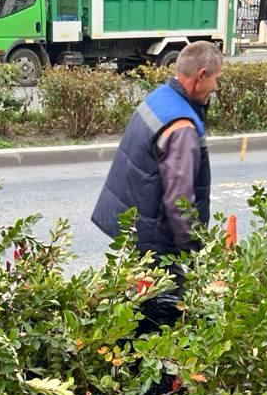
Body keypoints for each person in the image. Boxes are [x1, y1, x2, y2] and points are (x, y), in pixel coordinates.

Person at [92, 40, 222, 258]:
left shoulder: (161, 97)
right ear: (201, 75)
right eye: (215, 79)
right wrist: (195, 254)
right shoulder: (182, 127)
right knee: (166, 292)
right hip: (158, 244)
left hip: (136, 231)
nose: (215, 87)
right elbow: (180, 203)